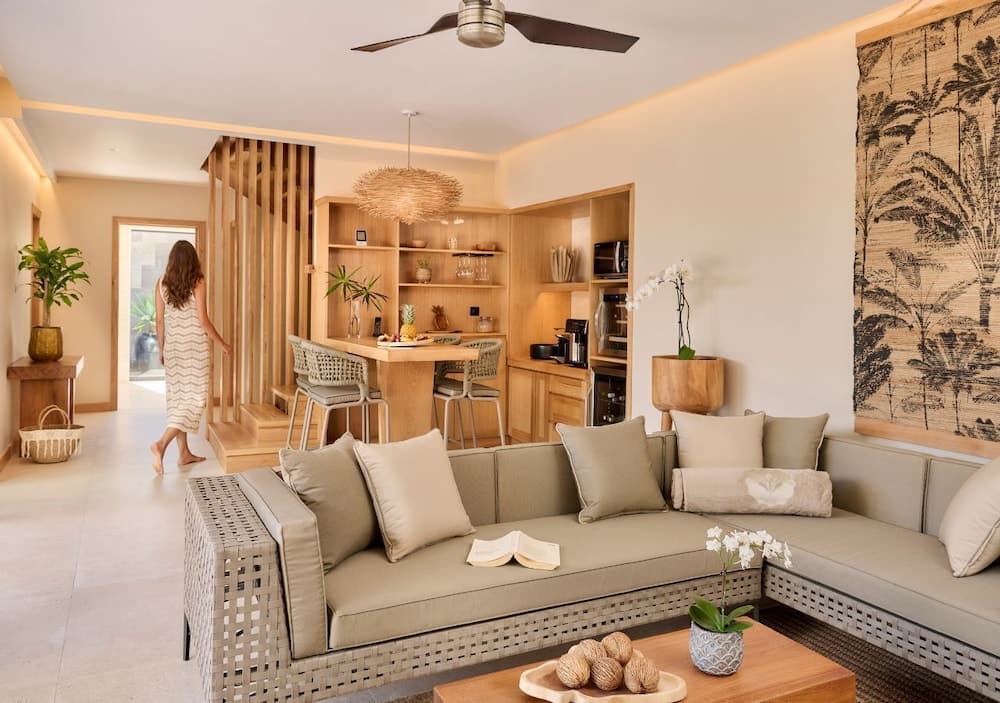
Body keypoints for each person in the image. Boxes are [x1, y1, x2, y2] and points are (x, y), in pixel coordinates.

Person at [150, 240, 230, 475]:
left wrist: (162, 348)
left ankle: (184, 453)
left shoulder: (161, 283)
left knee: (179, 401)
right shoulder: (197, 281)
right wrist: (222, 343)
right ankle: (161, 444)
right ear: (192, 260)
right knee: (194, 400)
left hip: (173, 349)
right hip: (195, 349)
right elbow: (203, 321)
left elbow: (159, 320)